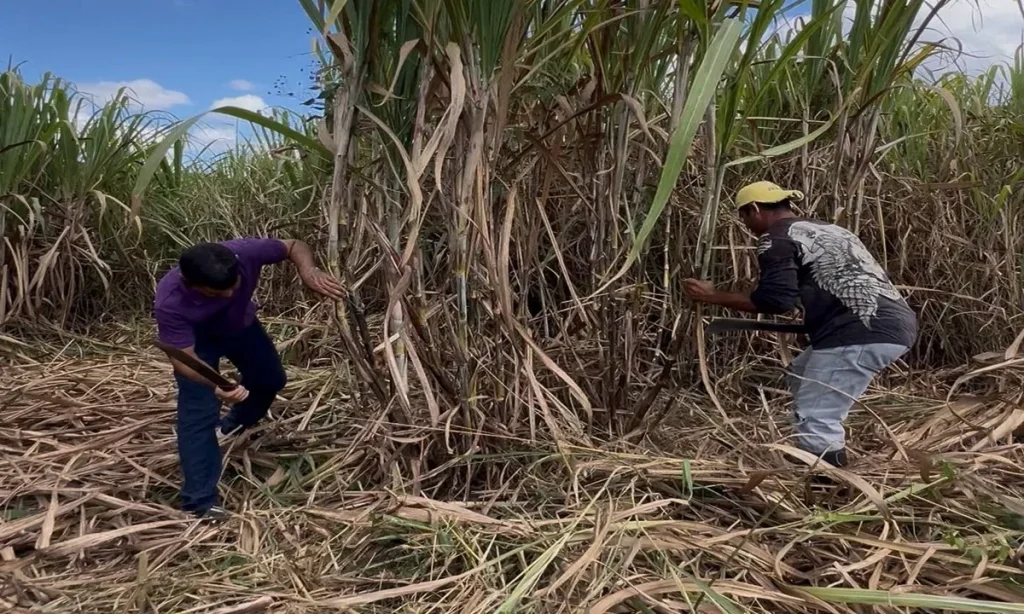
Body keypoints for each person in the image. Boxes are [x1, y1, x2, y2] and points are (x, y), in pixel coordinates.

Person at [683, 181, 917, 467]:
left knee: (818, 414)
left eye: (743, 216)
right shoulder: (833, 230)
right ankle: (808, 449)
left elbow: (775, 300)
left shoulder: (776, 237)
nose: (745, 224)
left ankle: (826, 488)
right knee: (801, 373)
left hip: (858, 330)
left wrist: (712, 296)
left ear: (754, 209)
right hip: (894, 323)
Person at [154, 237, 344, 519]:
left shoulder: (243, 254)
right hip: (197, 345)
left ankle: (234, 425)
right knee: (198, 414)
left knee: (271, 379)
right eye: (215, 294)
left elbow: (294, 246)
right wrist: (219, 386)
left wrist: (309, 271)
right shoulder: (170, 301)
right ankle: (200, 502)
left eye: (234, 288)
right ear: (188, 282)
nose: (229, 296)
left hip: (242, 328)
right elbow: (185, 361)